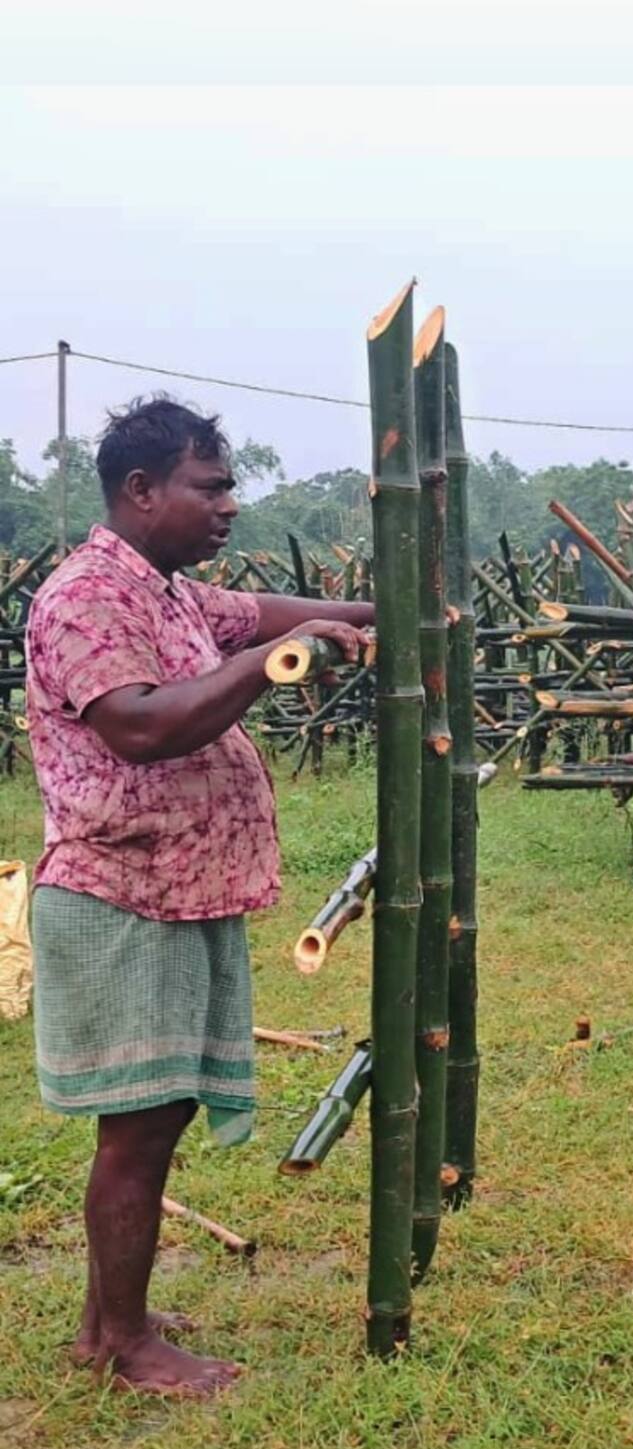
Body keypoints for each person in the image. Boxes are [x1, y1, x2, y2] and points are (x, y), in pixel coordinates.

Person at [25, 396, 374, 1396]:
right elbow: (138, 725)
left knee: (157, 1114)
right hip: (122, 893)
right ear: (141, 491)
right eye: (209, 486)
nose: (228, 506)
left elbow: (256, 618)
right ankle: (125, 1345)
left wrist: (366, 618)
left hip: (176, 890)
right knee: (138, 1124)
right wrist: (271, 664)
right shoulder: (89, 596)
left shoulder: (169, 593)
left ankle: (108, 1317)